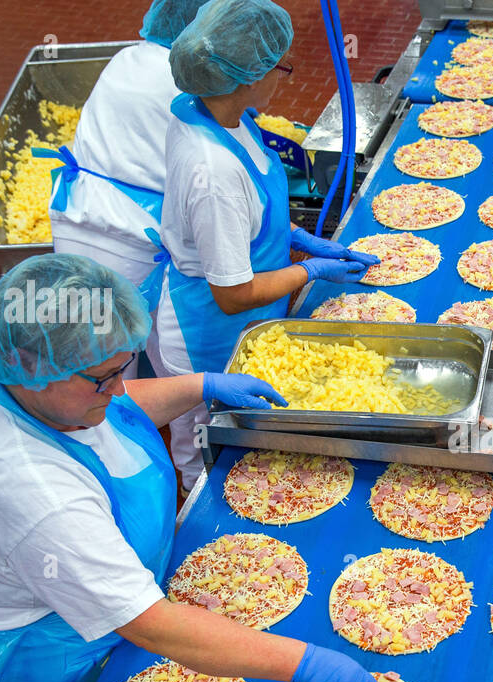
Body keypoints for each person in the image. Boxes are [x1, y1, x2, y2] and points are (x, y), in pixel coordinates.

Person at [0, 255, 378, 682]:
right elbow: (150, 623)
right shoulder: (33, 493)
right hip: (34, 661)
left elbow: (118, 406)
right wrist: (304, 663)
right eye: (104, 377)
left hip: (81, 601)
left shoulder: (23, 373)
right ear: (33, 367)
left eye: (122, 367)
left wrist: (200, 386)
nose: (118, 387)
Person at [146, 0, 377, 491]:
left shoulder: (215, 112)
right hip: (212, 335)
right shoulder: (214, 173)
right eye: (280, 68)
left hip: (247, 319)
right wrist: (310, 270)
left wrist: (294, 236)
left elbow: (250, 213)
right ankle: (192, 498)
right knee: (210, 451)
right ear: (246, 78)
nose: (284, 78)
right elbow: (233, 294)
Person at [46, 0, 207, 290]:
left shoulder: (125, 57)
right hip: (134, 239)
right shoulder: (188, 84)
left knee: (82, 314)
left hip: (72, 215)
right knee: (131, 317)